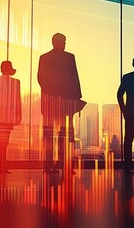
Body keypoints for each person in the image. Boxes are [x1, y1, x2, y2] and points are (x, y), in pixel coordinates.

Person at [38, 33, 83, 174]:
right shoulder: (69, 58)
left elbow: (41, 79)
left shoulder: (44, 58)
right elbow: (74, 78)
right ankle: (64, 165)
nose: (64, 44)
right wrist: (76, 98)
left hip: (51, 101)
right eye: (63, 42)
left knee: (50, 134)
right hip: (64, 102)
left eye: (65, 42)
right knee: (64, 134)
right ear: (55, 42)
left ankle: (49, 165)